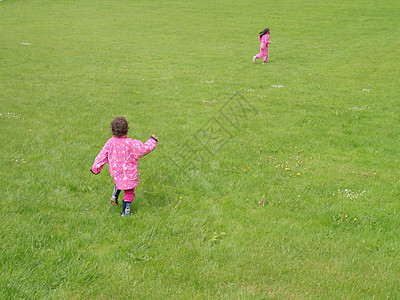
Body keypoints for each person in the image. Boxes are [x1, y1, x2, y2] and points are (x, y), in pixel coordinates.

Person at [91, 116, 158, 216]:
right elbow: (143, 149)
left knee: (119, 181)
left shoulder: (110, 143)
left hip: (116, 171)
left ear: (112, 130)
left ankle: (114, 196)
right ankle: (125, 214)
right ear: (127, 130)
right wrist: (152, 140)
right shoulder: (130, 143)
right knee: (129, 193)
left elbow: (102, 156)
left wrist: (95, 168)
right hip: (129, 174)